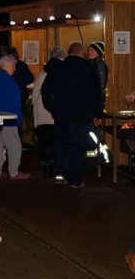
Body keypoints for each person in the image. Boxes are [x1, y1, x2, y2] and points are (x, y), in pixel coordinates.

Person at [41, 42, 103, 188]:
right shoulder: (88, 69)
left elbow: (45, 90)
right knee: (76, 145)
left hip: (60, 113)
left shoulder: (58, 68)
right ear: (81, 53)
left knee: (61, 143)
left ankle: (60, 174)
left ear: (69, 53)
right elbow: (96, 93)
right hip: (80, 113)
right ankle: (75, 179)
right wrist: (97, 113)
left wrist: (51, 107)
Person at [0, 54, 29, 180]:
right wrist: (16, 118)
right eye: (13, 66)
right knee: (14, 146)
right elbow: (14, 101)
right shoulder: (7, 80)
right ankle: (14, 172)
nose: (14, 69)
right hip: (8, 119)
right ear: (8, 65)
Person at [32, 46, 64, 178]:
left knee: (44, 142)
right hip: (56, 114)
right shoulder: (62, 73)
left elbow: (34, 96)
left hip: (41, 114)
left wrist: (35, 115)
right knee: (57, 142)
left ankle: (46, 171)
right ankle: (57, 171)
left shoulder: (42, 73)